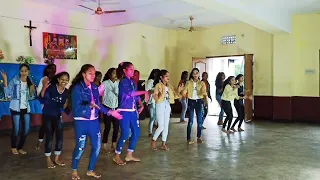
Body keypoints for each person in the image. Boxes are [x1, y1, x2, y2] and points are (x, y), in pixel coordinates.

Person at [70, 64, 122, 180]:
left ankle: (90, 170)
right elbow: (76, 108)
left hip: (94, 122)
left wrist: (110, 112)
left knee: (97, 147)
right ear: (83, 74)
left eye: (94, 73)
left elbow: (98, 105)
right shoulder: (77, 88)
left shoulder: (94, 87)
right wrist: (89, 105)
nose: (93, 76)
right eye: (90, 73)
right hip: (81, 122)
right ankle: (74, 170)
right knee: (80, 147)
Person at [113, 62, 149, 166]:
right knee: (125, 134)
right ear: (124, 71)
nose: (133, 71)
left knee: (136, 133)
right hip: (124, 111)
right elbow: (130, 93)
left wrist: (141, 105)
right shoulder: (123, 81)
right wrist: (145, 92)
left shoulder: (133, 82)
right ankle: (116, 155)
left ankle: (129, 154)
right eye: (131, 69)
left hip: (133, 111)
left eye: (133, 69)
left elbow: (135, 95)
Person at [1, 63, 36, 155]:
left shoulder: (30, 81)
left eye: (25, 71)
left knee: (27, 129)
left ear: (28, 71)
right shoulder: (15, 81)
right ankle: (13, 147)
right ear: (19, 72)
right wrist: (5, 80)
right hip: (15, 107)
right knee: (16, 129)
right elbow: (7, 94)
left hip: (25, 109)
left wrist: (32, 89)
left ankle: (20, 147)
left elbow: (31, 96)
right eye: (22, 71)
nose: (23, 73)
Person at [40, 72, 69, 168]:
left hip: (57, 116)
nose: (64, 81)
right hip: (47, 115)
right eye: (62, 79)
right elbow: (43, 97)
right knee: (49, 137)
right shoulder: (52, 88)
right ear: (58, 79)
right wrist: (44, 86)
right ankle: (48, 159)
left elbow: (65, 106)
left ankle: (56, 159)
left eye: (66, 79)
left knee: (60, 137)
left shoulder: (67, 92)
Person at [151, 69, 182, 151]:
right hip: (160, 105)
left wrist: (178, 91)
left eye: (169, 76)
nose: (168, 77)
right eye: (166, 76)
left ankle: (163, 143)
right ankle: (153, 140)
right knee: (161, 126)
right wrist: (159, 97)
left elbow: (175, 96)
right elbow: (155, 96)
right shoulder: (158, 85)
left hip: (167, 105)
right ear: (161, 77)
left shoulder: (170, 86)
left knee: (166, 126)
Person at [180, 68, 207, 144]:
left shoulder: (202, 83)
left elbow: (204, 92)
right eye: (194, 73)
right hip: (191, 102)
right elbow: (184, 92)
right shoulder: (188, 83)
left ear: (198, 74)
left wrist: (205, 100)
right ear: (192, 74)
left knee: (199, 121)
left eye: (196, 73)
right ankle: (188, 139)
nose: (195, 75)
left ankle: (199, 137)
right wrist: (181, 91)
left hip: (199, 102)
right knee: (190, 121)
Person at [36, 63, 57, 149]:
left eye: (54, 69)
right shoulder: (44, 79)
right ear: (47, 70)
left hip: (54, 106)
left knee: (53, 126)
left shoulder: (56, 80)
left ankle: (49, 143)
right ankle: (40, 142)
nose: (53, 71)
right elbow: (39, 94)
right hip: (46, 106)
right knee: (45, 125)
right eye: (51, 69)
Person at [100, 68, 120, 152]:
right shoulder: (104, 83)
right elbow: (99, 94)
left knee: (116, 127)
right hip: (107, 107)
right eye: (113, 73)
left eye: (116, 73)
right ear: (109, 74)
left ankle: (113, 143)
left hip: (115, 108)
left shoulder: (118, 83)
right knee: (107, 127)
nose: (115, 75)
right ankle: (104, 144)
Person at [146, 69, 160, 137]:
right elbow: (148, 91)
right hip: (151, 101)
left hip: (157, 101)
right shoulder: (150, 81)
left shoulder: (159, 82)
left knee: (157, 117)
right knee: (152, 117)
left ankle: (157, 131)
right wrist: (155, 89)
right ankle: (150, 132)